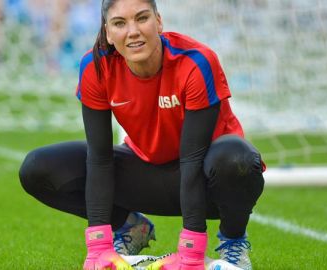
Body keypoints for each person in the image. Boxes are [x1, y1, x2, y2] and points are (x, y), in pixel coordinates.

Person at [19, 0, 265, 269]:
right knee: (38, 168)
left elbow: (192, 159)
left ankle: (232, 243)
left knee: (236, 158)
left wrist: (191, 254)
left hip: (210, 180)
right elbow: (100, 159)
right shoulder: (96, 66)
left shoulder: (196, 62)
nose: (133, 31)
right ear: (109, 33)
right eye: (120, 23)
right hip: (148, 173)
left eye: (142, 18)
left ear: (158, 22)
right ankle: (131, 227)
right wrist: (97, 250)